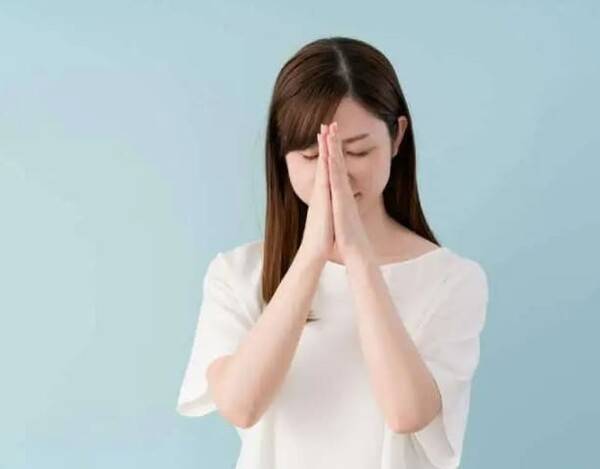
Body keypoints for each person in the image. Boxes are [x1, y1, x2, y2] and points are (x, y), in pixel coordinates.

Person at [176, 36, 489, 469]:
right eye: (311, 156)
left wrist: (359, 260)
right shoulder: (237, 273)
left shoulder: (452, 279)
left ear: (397, 137)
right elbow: (241, 406)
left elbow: (407, 413)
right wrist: (311, 256)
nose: (334, 173)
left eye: (357, 151)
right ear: (282, 155)